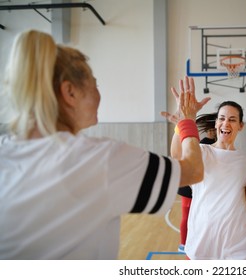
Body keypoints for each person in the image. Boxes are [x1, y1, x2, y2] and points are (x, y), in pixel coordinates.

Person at [0, 30, 207, 260]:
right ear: (70, 92)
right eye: (95, 84)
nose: (99, 94)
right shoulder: (100, 159)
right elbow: (193, 169)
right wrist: (187, 120)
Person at [165, 94, 246, 259]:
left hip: (239, 243)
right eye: (222, 118)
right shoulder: (201, 151)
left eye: (232, 119)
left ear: (240, 125)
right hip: (202, 240)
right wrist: (183, 120)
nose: (225, 123)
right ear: (216, 123)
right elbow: (177, 153)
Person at [176, 115, 216, 253]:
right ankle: (183, 244)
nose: (211, 132)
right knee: (187, 216)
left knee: (202, 217)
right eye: (209, 130)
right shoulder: (202, 144)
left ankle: (200, 242)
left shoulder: (217, 145)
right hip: (189, 187)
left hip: (202, 186)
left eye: (213, 130)